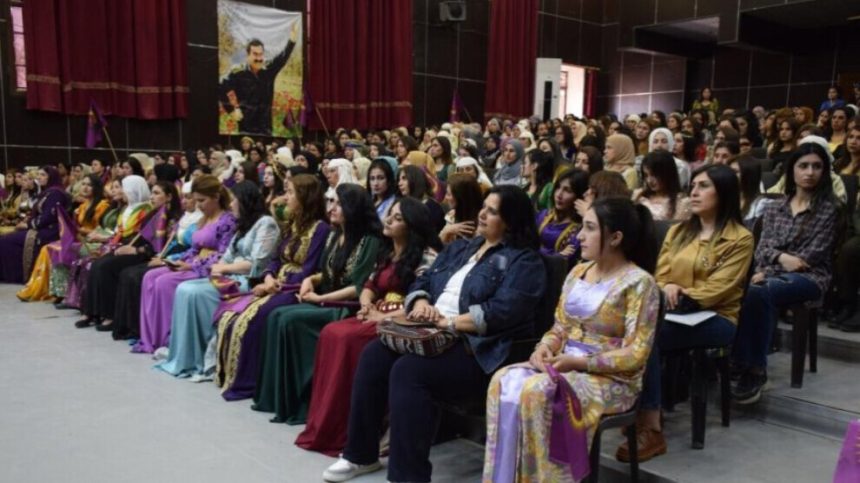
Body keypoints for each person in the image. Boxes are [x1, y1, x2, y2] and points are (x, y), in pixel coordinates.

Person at [323, 185, 546, 483]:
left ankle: (408, 477)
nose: (482, 214)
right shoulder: (460, 248)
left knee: (409, 371)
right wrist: (421, 302)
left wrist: (450, 323)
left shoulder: (524, 261)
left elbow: (503, 311)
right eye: (484, 206)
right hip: (430, 332)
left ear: (510, 221)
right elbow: (423, 280)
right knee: (374, 355)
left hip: (477, 349)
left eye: (492, 211)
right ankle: (360, 455)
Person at [482, 197, 659, 482]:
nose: (579, 236)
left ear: (615, 238)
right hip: (564, 363)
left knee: (539, 391)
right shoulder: (578, 272)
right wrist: (544, 347)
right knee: (502, 380)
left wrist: (579, 362)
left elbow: (636, 353)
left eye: (589, 228)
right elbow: (560, 327)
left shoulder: (639, 283)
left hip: (612, 378)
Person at [623, 165, 755, 462]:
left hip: (716, 317)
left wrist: (681, 294)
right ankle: (633, 406)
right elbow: (659, 275)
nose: (693, 192)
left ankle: (651, 426)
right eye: (693, 186)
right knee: (632, 328)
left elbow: (721, 287)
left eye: (703, 186)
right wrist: (667, 286)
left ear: (724, 192)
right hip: (672, 312)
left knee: (647, 336)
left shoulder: (740, 238)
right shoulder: (679, 231)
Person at [296, 197, 441, 455]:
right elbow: (369, 286)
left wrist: (382, 316)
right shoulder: (387, 252)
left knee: (347, 339)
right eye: (390, 214)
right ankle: (327, 423)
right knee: (331, 332)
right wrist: (366, 305)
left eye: (398, 218)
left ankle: (349, 429)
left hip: (401, 319)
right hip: (375, 312)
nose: (389, 220)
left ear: (411, 226)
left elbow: (423, 302)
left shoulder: (427, 256)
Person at [254, 183, 382, 424]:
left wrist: (320, 298)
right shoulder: (336, 234)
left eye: (339, 204)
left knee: (289, 320)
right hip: (327, 299)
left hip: (346, 307)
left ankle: (301, 402)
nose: (331, 208)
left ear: (353, 208)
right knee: (276, 315)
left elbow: (359, 286)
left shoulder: (369, 241)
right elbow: (327, 272)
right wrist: (310, 280)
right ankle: (278, 400)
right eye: (331, 202)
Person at [732, 143, 839, 404]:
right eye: (803, 166)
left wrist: (769, 268)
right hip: (771, 274)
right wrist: (780, 260)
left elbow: (809, 258)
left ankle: (754, 369)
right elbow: (762, 248)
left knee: (761, 289)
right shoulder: (774, 207)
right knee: (750, 289)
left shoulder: (829, 209)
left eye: (816, 167)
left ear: (824, 172)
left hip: (811, 278)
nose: (810, 172)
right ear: (792, 170)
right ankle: (738, 360)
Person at [213, 174, 329, 400]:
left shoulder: (320, 229)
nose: (286, 197)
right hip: (275, 284)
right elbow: (275, 259)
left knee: (254, 319)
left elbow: (309, 269)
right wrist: (267, 278)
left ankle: (249, 381)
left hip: (295, 290)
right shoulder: (292, 224)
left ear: (305, 197)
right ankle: (231, 376)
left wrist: (276, 285)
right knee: (232, 316)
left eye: (291, 193)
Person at [156, 182, 279, 379]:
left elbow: (258, 264)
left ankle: (200, 357)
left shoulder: (266, 223)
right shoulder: (244, 225)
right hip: (229, 276)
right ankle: (183, 354)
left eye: (234, 200)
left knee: (192, 292)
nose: (230, 204)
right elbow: (227, 255)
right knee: (183, 288)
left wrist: (224, 268)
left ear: (245, 201)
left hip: (247, 281)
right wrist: (218, 268)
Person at [133, 175, 237, 353]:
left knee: (164, 282)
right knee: (149, 276)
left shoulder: (227, 220)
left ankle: (169, 340)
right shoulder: (204, 219)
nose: (199, 205)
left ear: (216, 197)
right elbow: (194, 248)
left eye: (202, 200)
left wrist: (191, 265)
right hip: (192, 262)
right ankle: (151, 338)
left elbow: (223, 254)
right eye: (197, 201)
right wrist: (178, 260)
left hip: (208, 268)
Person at [76, 180, 179, 331]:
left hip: (148, 254)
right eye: (152, 193)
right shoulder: (153, 213)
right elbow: (140, 236)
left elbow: (164, 246)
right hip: (137, 249)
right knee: (98, 263)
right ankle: (92, 312)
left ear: (169, 197)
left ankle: (110, 315)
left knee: (107, 267)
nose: (152, 197)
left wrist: (136, 250)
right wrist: (127, 247)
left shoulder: (172, 217)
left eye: (157, 193)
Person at [111, 181, 203, 341]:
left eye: (189, 197)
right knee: (127, 273)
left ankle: (145, 329)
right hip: (168, 255)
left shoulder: (199, 220)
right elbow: (171, 242)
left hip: (184, 260)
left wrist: (165, 259)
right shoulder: (184, 218)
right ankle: (130, 327)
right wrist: (162, 256)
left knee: (138, 276)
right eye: (183, 197)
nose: (184, 201)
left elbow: (194, 248)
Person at [17, 174, 109, 302]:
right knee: (47, 248)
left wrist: (83, 231)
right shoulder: (81, 206)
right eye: (83, 184)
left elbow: (104, 230)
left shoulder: (103, 206)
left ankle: (62, 293)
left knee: (61, 250)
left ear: (96, 188)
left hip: (96, 243)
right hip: (81, 240)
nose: (85, 187)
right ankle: (48, 290)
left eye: (89, 185)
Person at [219, 24, 299, 135]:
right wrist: (231, 110)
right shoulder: (238, 72)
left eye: (261, 54)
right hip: (246, 129)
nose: (259, 58)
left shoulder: (269, 70)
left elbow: (282, 58)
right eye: (255, 54)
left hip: (266, 129)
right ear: (248, 55)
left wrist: (292, 40)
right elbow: (220, 87)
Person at [0, 166, 69, 284]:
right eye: (39, 175)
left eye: (43, 175)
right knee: (6, 238)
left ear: (51, 177)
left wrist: (28, 225)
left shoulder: (55, 193)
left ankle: (18, 276)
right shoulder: (47, 192)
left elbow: (48, 217)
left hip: (50, 231)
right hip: (41, 228)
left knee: (6, 241)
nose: (39, 177)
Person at [535, 168, 589, 265]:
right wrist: (557, 255)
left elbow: (566, 259)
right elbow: (525, 245)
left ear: (579, 196)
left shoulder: (579, 230)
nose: (559, 195)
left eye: (567, 190)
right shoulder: (544, 215)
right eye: (558, 187)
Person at [633, 151, 691, 222]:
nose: (649, 180)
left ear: (667, 173)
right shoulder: (639, 196)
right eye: (646, 175)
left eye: (655, 175)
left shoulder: (681, 201)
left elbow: (677, 227)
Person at [398, 165, 445, 234]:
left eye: (404, 178)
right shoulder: (401, 204)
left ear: (415, 179)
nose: (399, 183)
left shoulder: (432, 207)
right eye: (399, 180)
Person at [439, 173, 483, 244]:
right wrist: (446, 232)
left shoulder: (482, 223)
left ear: (461, 197)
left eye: (448, 194)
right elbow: (440, 247)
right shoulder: (451, 216)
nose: (445, 198)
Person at [729, 156, 768, 229]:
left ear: (748, 175)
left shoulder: (761, 204)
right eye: (728, 171)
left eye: (735, 172)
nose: (729, 175)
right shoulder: (723, 198)